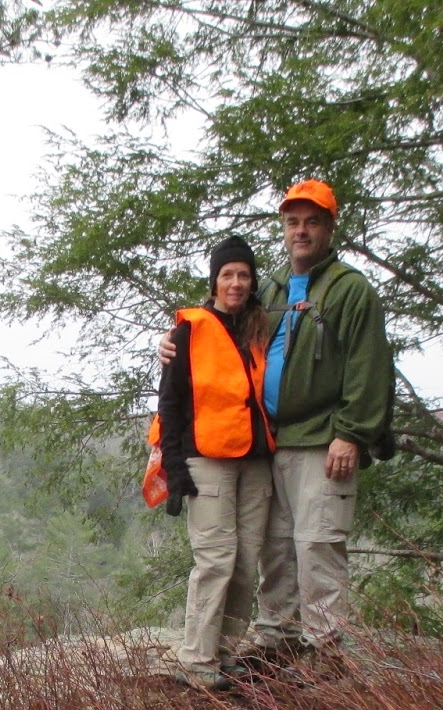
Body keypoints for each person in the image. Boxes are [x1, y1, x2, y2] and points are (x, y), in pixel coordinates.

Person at [161, 180, 393, 659]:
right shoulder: (272, 288)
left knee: (317, 545)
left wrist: (350, 435)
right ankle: (278, 643)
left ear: (330, 227)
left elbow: (370, 367)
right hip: (271, 442)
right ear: (284, 229)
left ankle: (324, 653)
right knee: (275, 549)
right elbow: (219, 321)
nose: (301, 231)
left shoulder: (351, 291)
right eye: (293, 222)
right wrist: (172, 339)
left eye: (312, 222)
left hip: (324, 441)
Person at [158, 234, 275, 690]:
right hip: (207, 461)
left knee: (246, 561)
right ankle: (197, 659)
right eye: (228, 274)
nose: (236, 282)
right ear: (214, 281)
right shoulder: (190, 329)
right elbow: (169, 402)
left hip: (256, 462)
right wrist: (174, 466)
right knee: (215, 559)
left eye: (244, 274)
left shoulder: (260, 328)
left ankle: (225, 652)